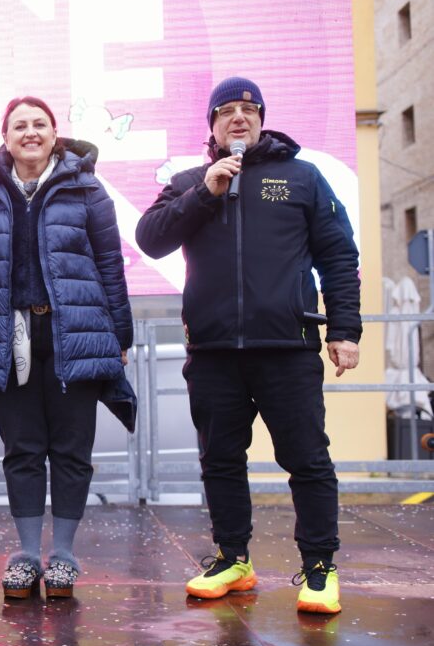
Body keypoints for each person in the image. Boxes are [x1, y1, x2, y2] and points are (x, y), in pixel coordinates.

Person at [135, 76, 361, 615]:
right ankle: (233, 559)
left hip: (287, 347)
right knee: (220, 460)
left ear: (261, 119)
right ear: (212, 126)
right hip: (213, 351)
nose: (238, 117)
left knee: (307, 459)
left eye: (248, 109)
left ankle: (319, 567)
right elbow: (150, 238)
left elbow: (338, 256)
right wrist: (203, 193)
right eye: (226, 111)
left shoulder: (302, 177)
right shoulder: (190, 181)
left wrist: (344, 330)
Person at [0, 96, 133, 599]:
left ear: (55, 134)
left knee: (72, 449)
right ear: (6, 137)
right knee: (22, 448)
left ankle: (63, 556)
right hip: (10, 335)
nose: (30, 132)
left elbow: (110, 264)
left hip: (73, 333)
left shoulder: (87, 189)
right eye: (20, 125)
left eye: (40, 124)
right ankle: (26, 555)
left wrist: (120, 336)